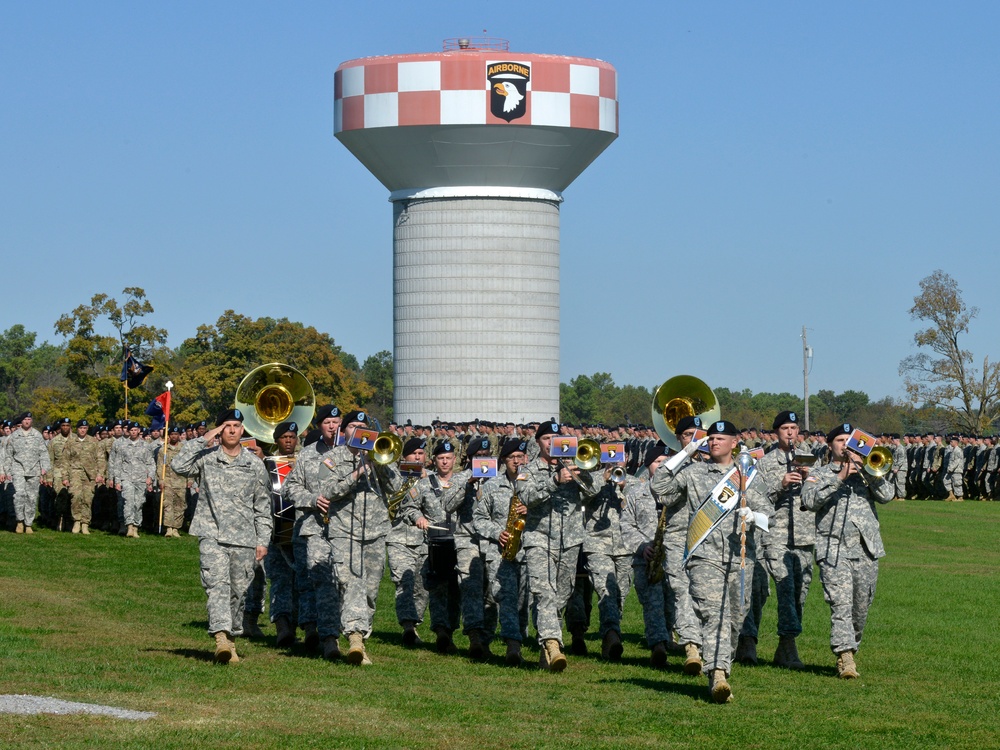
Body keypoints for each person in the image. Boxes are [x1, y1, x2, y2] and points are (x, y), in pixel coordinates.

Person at [650, 420, 772, 703]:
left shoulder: (747, 475)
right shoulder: (693, 473)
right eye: (711, 438)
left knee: (735, 617)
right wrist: (684, 453)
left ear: (734, 442)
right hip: (704, 557)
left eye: (720, 438)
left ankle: (720, 665)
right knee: (714, 612)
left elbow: (770, 514)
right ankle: (717, 673)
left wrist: (755, 517)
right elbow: (660, 486)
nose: (714, 442)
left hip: (740, 557)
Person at [171, 408, 271, 664]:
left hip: (244, 539)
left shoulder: (254, 464)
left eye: (237, 426)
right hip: (212, 534)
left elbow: (262, 505)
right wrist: (207, 436)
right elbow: (178, 465)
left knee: (238, 593)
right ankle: (220, 638)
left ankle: (232, 639)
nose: (232, 430)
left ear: (243, 430)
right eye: (226, 425)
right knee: (217, 587)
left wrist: (262, 541)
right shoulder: (207, 458)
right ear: (219, 430)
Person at [801, 423, 894, 679]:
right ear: (830, 445)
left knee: (860, 608)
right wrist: (839, 477)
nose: (845, 445)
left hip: (866, 548)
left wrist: (869, 471)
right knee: (840, 604)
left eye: (848, 440)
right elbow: (808, 501)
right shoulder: (819, 474)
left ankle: (851, 648)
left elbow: (887, 496)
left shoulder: (867, 471)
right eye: (840, 440)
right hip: (833, 549)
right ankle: (845, 657)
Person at [517, 421, 606, 671]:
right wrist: (555, 480)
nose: (551, 442)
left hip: (570, 540)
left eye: (556, 438)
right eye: (546, 438)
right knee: (543, 592)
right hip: (539, 539)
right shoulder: (530, 469)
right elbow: (525, 496)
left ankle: (545, 647)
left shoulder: (573, 464)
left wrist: (580, 472)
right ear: (539, 443)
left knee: (561, 595)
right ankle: (553, 643)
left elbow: (592, 491)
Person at [738, 410, 814, 669]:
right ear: (777, 433)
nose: (791, 433)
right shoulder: (766, 463)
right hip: (774, 535)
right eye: (785, 429)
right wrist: (780, 483)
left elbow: (819, 495)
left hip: (803, 535)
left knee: (798, 593)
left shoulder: (812, 460)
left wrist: (808, 480)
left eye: (794, 428)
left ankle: (785, 646)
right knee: (773, 588)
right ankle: (751, 641)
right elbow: (754, 499)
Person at [282, 404, 343, 657]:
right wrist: (311, 499)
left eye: (336, 421)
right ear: (320, 426)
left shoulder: (351, 453)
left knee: (343, 581)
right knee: (317, 580)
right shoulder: (307, 455)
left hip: (345, 529)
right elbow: (289, 488)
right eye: (327, 422)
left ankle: (349, 632)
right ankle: (319, 633)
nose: (332, 426)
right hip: (314, 527)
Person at [474, 439, 531, 665]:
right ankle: (512, 645)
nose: (517, 461)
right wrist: (497, 532)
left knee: (523, 601)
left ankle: (520, 638)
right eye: (512, 458)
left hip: (528, 550)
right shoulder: (492, 485)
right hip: (500, 552)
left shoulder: (533, 484)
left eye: (520, 457)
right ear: (504, 461)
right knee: (505, 597)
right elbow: (479, 518)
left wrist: (532, 507)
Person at [385, 436, 431, 647]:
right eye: (414, 454)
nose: (418, 457)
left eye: (421, 454)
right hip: (399, 538)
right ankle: (408, 627)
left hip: (426, 541)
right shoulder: (394, 475)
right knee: (404, 582)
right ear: (404, 456)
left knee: (422, 587)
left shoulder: (431, 478)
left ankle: (415, 623)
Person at [58, 420, 106, 534]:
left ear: (87, 429)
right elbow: (65, 461)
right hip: (75, 472)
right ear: (77, 429)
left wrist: (100, 474)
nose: (82, 430)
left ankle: (85, 523)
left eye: (84, 428)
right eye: (80, 428)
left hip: (90, 474)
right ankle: (77, 521)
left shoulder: (94, 442)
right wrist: (65, 477)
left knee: (87, 498)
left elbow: (100, 459)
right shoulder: (70, 442)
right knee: (75, 497)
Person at [5, 412, 50, 534]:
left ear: (31, 421)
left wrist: (44, 467)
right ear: (22, 421)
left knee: (31, 497)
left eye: (29, 419)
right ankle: (19, 521)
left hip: (34, 470)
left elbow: (43, 453)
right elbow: (9, 455)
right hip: (18, 469)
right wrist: (7, 470)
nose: (27, 421)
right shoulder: (14, 436)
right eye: (25, 419)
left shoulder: (37, 435)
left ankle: (28, 523)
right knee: (19, 495)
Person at [116, 421, 155, 538]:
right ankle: (129, 526)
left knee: (139, 503)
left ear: (139, 431)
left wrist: (150, 477)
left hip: (141, 479)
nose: (133, 432)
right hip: (126, 478)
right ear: (129, 431)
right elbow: (117, 464)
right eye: (131, 430)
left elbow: (151, 463)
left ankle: (136, 527)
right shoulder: (122, 446)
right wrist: (117, 480)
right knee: (128, 502)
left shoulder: (146, 446)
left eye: (135, 430)